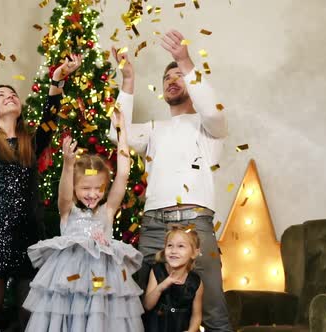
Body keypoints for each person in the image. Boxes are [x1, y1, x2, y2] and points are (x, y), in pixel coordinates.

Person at [109, 29, 232, 331]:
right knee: (143, 310)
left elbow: (214, 112)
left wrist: (184, 60)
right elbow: (116, 133)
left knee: (214, 312)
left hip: (195, 226)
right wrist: (127, 82)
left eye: (179, 76)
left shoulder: (208, 128)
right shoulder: (154, 129)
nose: (172, 80)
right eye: (167, 78)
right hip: (153, 228)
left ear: (191, 82)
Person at [22, 60, 144, 330]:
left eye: (98, 189)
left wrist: (123, 133)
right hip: (68, 281)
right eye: (85, 189)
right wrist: (67, 165)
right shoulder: (69, 211)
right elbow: (63, 196)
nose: (92, 195)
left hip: (104, 283)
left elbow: (123, 174)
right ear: (77, 189)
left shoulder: (107, 211)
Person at [0, 50, 80, 332]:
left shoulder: (32, 142)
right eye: (0, 94)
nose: (9, 96)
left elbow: (50, 121)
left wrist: (57, 80)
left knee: (30, 320)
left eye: (12, 94)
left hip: (30, 237)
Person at [144, 227, 204, 332]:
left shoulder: (195, 282)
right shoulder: (157, 271)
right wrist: (162, 286)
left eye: (181, 246)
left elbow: (196, 316)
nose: (173, 251)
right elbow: (147, 305)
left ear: (194, 253)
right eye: (170, 245)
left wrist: (191, 331)